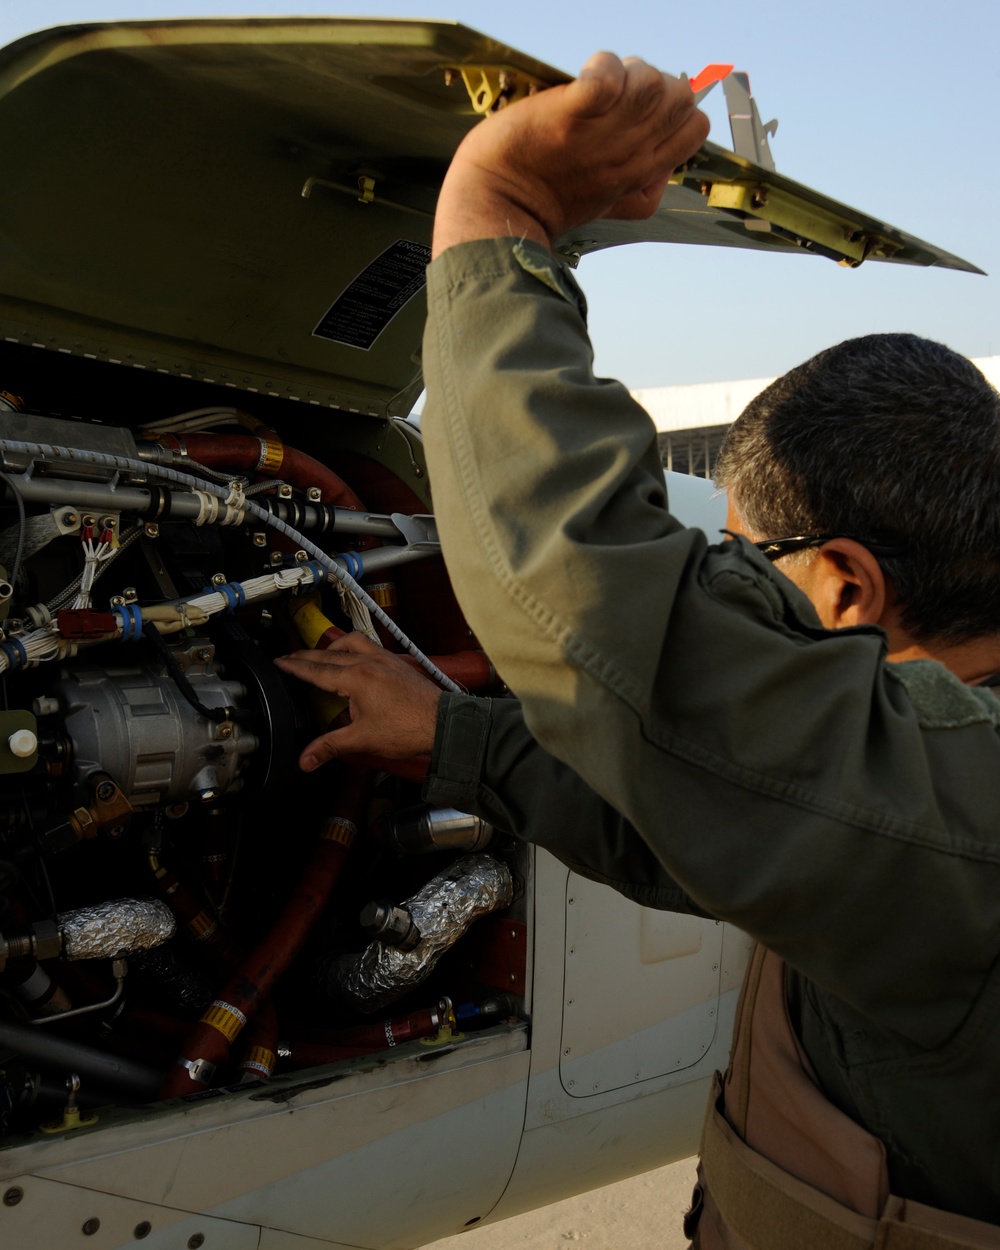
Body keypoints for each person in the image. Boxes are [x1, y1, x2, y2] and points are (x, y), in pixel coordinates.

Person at [275, 54, 1000, 1248]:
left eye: (756, 556)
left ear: (849, 583)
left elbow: (602, 611)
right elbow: (726, 818)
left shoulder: (957, 812)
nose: (732, 578)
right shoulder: (907, 794)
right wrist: (456, 737)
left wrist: (499, 224)